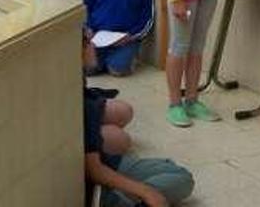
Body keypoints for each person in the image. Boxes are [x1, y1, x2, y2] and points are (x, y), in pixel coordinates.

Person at [82, 33, 195, 207]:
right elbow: (94, 170)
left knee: (182, 177)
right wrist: (145, 192)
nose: (93, 45)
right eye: (88, 42)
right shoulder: (79, 103)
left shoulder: (81, 88)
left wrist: (140, 190)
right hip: (98, 173)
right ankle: (119, 198)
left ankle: (122, 195)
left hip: (108, 165)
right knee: (163, 186)